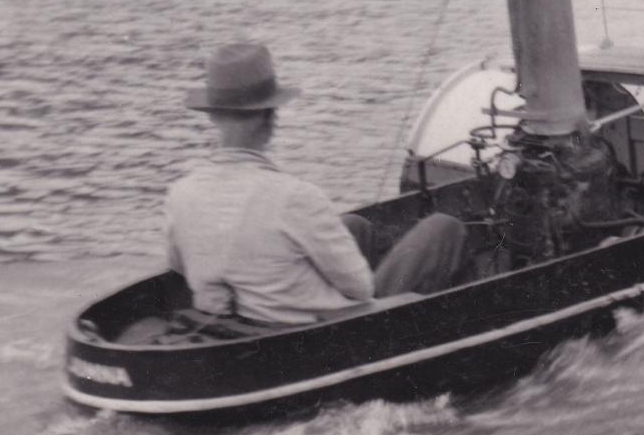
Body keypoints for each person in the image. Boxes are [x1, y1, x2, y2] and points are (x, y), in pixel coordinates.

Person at [166, 42, 466, 325]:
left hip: (243, 319)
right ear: (271, 117)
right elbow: (361, 288)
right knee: (442, 228)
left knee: (354, 225)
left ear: (213, 116)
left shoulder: (181, 193)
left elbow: (181, 268)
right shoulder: (294, 197)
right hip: (322, 332)